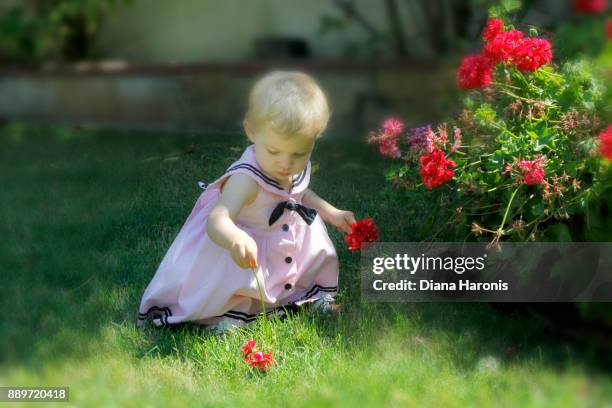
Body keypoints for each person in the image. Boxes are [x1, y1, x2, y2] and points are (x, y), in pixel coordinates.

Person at [137, 71, 355, 331]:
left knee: (315, 249)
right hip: (244, 242)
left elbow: (298, 194)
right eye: (273, 151)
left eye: (299, 153)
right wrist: (234, 238)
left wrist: (331, 212)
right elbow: (217, 219)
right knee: (239, 279)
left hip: (284, 236)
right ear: (251, 131)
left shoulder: (290, 167)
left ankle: (312, 297)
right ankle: (228, 317)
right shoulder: (245, 180)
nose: (285, 164)